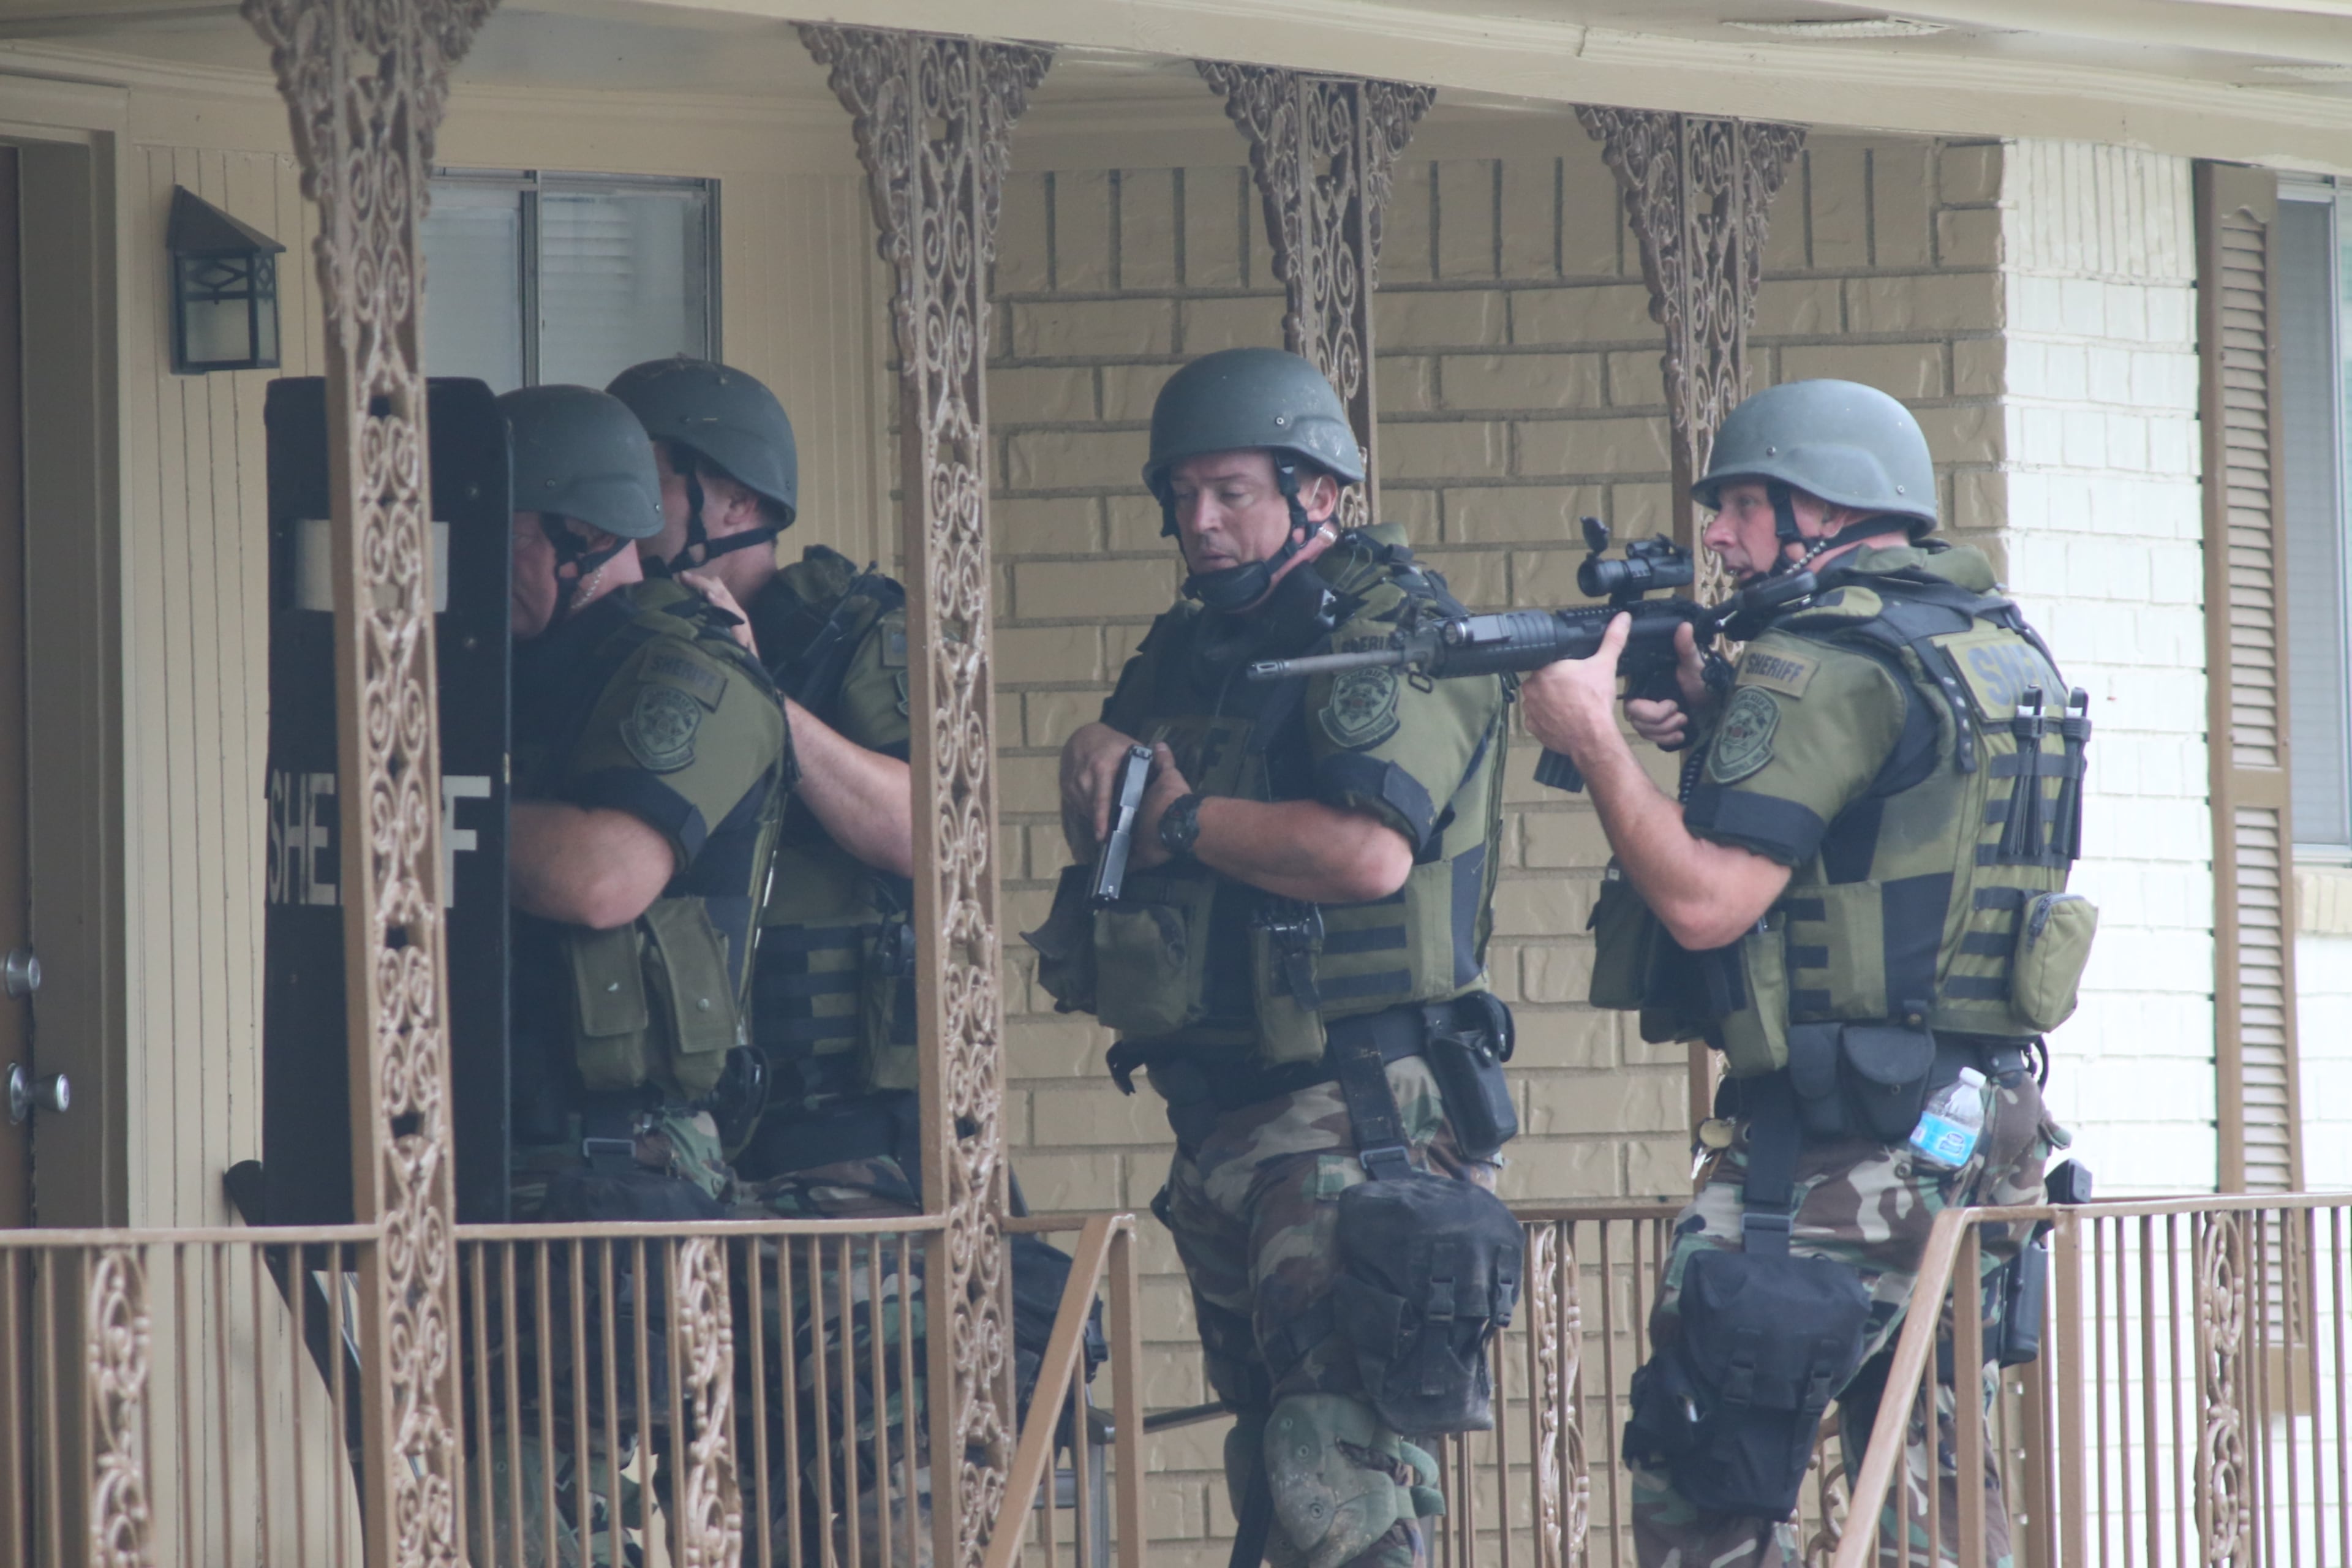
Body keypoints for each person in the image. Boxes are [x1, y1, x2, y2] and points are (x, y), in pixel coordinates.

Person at [1518, 380, 2088, 1568]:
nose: (1719, 538)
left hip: (1844, 1146)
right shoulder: (1987, 640)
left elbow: (1705, 901)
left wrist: (1596, 744)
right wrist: (1721, 716)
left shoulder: (1823, 660)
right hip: (1983, 1120)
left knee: (1705, 1468)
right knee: (1930, 1476)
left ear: (1825, 507)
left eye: (1741, 506)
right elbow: (1892, 829)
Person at [1037, 347, 1523, 1568]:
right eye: (1183, 496)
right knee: (1275, 1466)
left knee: (1338, 1474)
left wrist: (1181, 821)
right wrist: (1093, 749)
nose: (1200, 520)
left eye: (1232, 492)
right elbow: (1121, 800)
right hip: (1225, 1115)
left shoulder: (1388, 631)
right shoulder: (1197, 643)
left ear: (1319, 493)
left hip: (1350, 1110)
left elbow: (1368, 853)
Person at [606, 356, 925, 1561]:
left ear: (731, 498)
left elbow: (930, 831)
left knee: (862, 1497)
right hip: (682, 1140)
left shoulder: (852, 633)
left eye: (643, 476)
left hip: (840, 1142)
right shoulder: (619, 635)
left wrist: (754, 690)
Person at [486, 383, 793, 1565]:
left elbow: (603, 876)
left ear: (580, 535)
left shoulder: (683, 670)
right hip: (492, 1163)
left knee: (532, 1514)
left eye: (505, 534)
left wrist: (425, 806)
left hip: (613, 1169)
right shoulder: (497, 671)